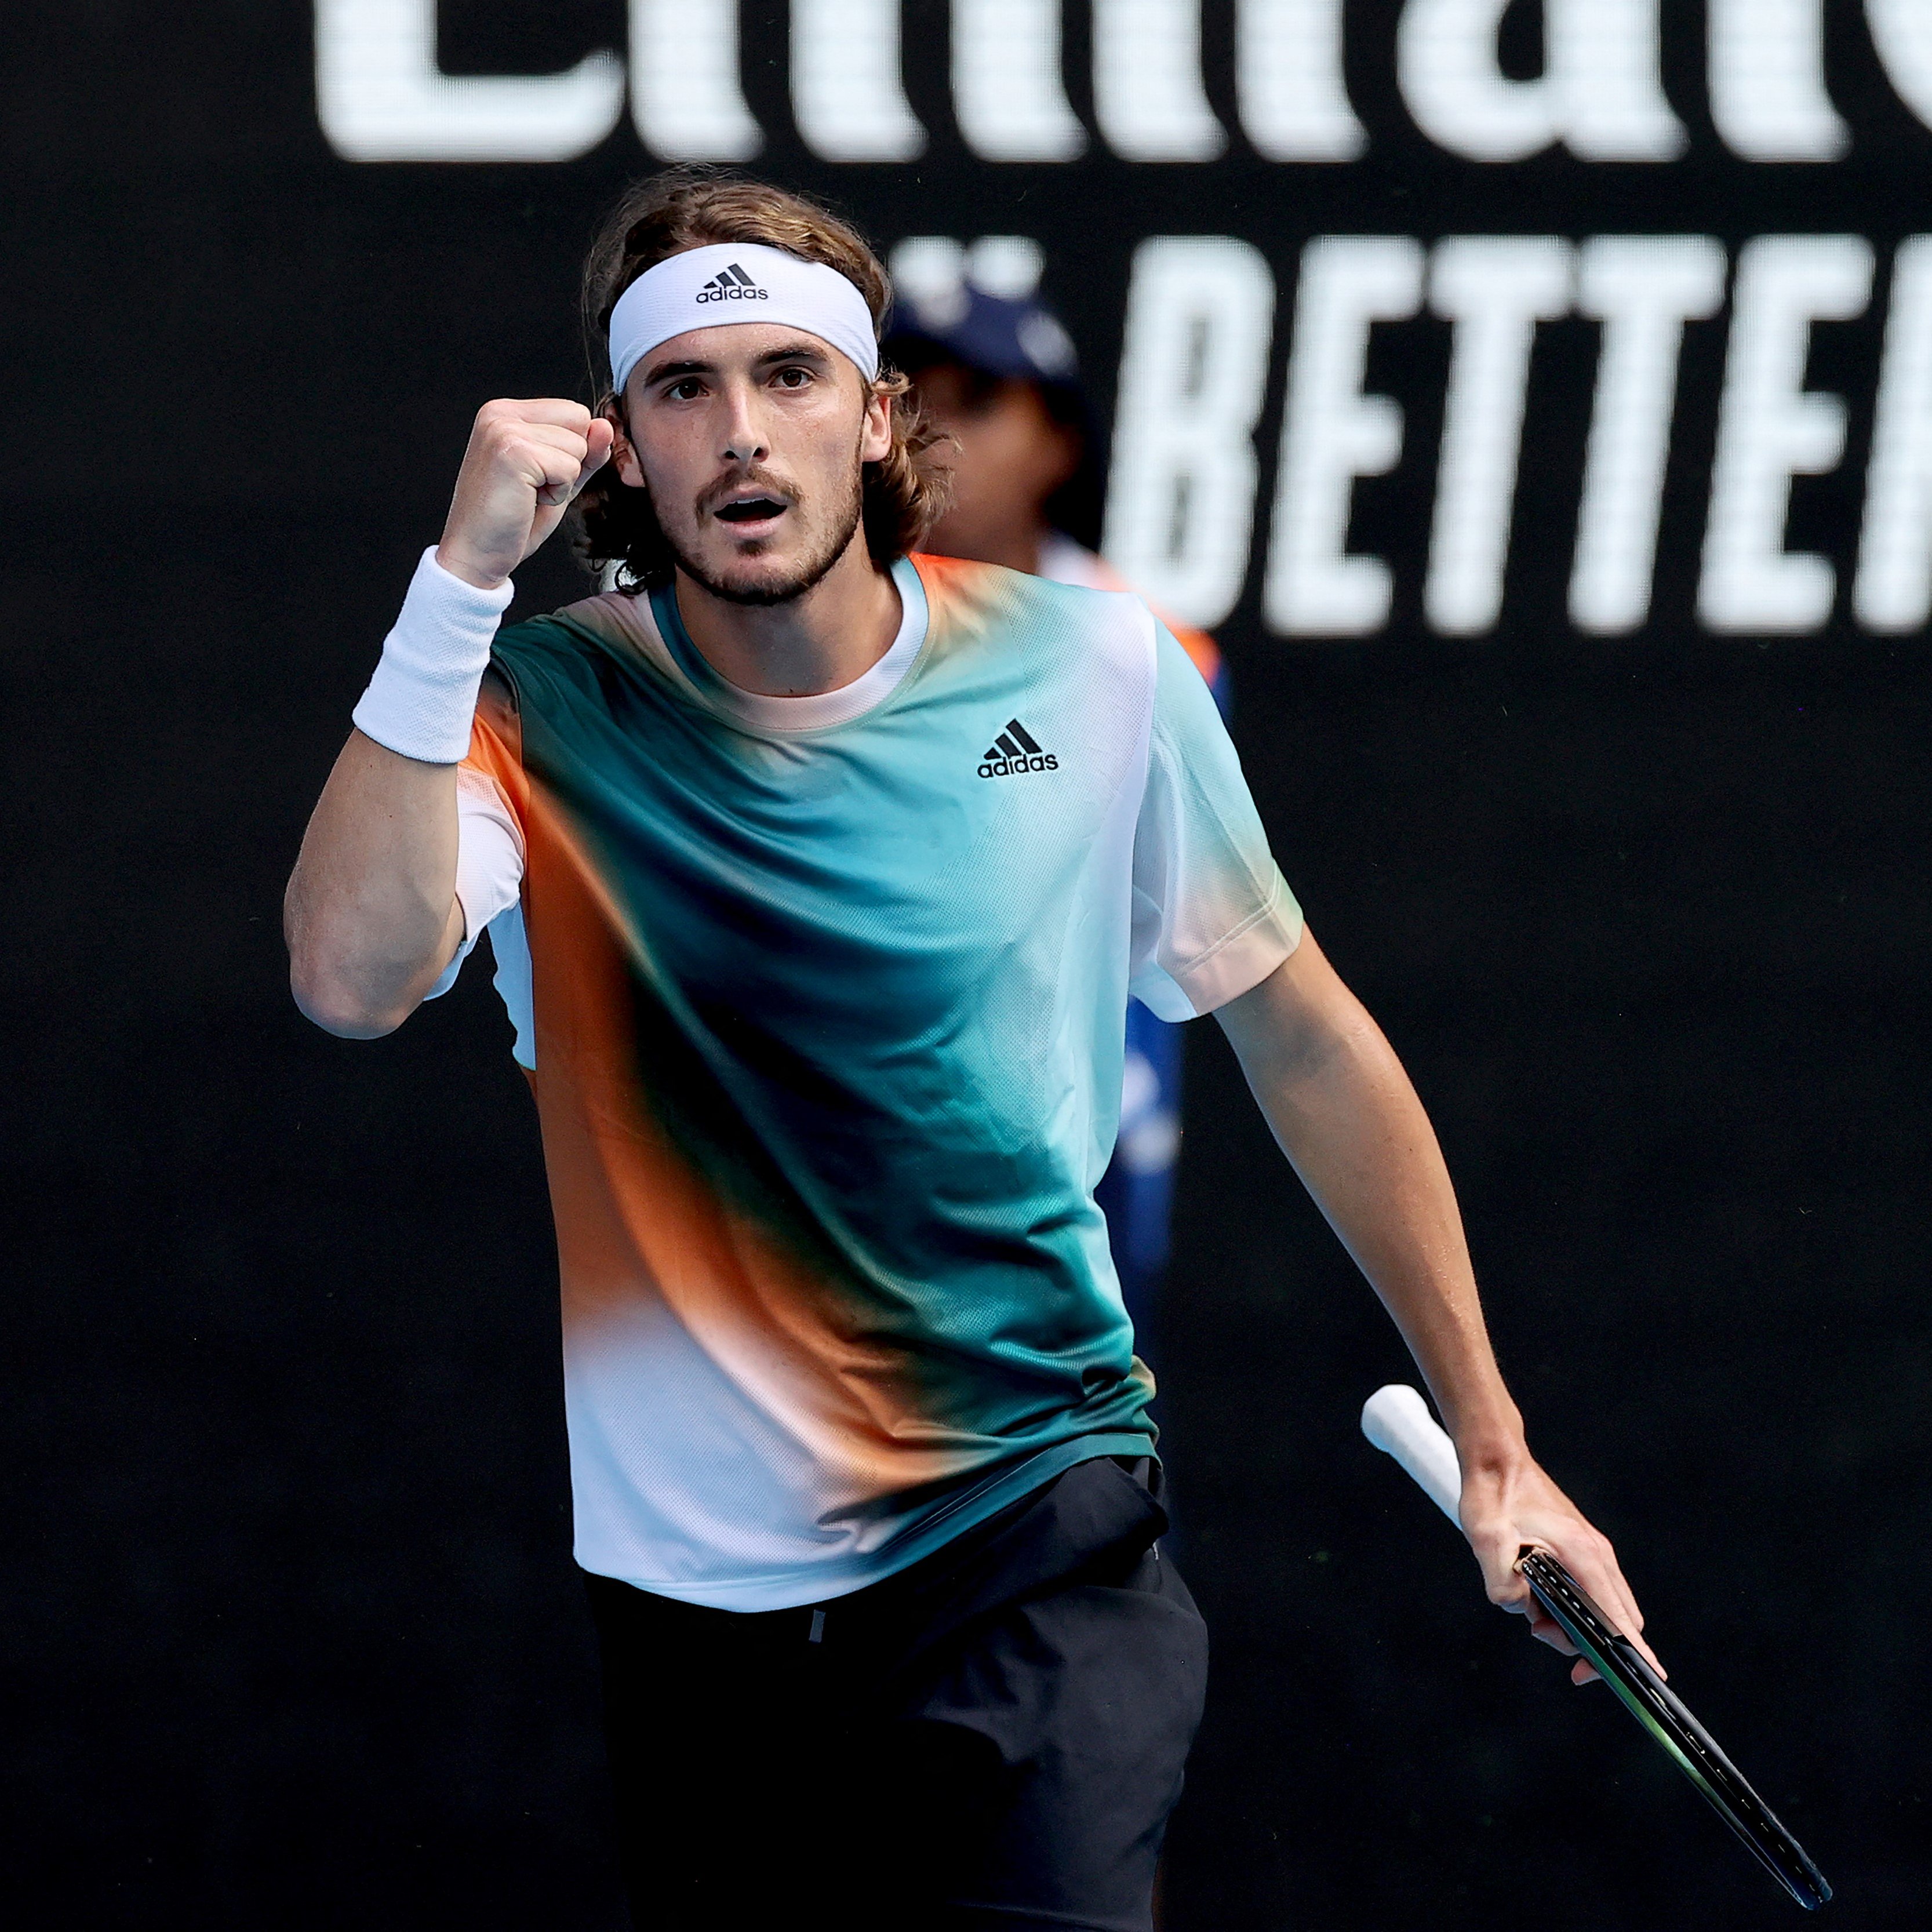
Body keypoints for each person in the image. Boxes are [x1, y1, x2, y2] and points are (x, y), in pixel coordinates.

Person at [284, 170, 1654, 1932]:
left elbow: (1300, 1033)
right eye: (681, 390)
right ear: (618, 446)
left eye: (787, 375)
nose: (738, 431)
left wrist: (1493, 1441)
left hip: (1033, 1521)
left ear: (872, 420)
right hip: (694, 1615)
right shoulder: (532, 705)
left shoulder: (1091, 670)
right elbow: (348, 973)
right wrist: (457, 582)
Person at [887, 277, 1222, 1360]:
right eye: (909, 401)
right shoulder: (796, 636)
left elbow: (1198, 934)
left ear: (1059, 442)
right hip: (859, 1133)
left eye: (978, 402)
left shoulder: (1153, 651)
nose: (936, 439)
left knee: (1086, 1477)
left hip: (1085, 1133)